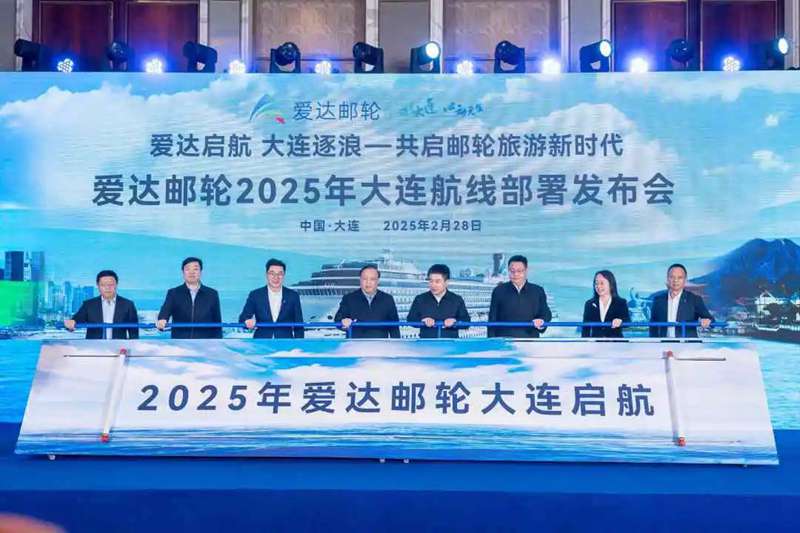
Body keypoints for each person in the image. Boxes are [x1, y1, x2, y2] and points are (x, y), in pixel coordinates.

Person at [157, 257, 222, 339]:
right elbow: (165, 310)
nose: (191, 272)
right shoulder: (173, 293)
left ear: (201, 272)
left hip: (205, 342)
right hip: (180, 342)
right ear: (183, 272)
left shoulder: (212, 294)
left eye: (195, 269)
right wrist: (162, 319)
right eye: (187, 269)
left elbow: (217, 321)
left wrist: (218, 342)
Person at [488, 255, 552, 338]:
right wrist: (491, 341)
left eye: (519, 271)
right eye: (512, 271)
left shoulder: (537, 291)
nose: (515, 274)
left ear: (526, 271)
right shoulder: (498, 291)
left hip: (530, 340)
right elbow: (492, 319)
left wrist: (541, 321)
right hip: (504, 341)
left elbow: (546, 313)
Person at [239, 258, 304, 339]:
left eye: (280, 274)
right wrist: (247, 321)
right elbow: (242, 318)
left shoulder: (293, 296)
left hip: (286, 342)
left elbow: (299, 324)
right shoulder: (255, 295)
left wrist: (299, 343)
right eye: (272, 273)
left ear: (284, 275)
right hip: (261, 342)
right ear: (266, 274)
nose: (276, 277)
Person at [64, 270, 139, 339]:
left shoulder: (128, 305)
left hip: (118, 347)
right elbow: (76, 320)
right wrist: (71, 322)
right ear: (98, 286)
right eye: (103, 285)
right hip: (94, 347)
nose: (107, 288)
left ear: (116, 285)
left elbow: (134, 333)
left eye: (111, 285)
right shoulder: (89, 305)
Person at [334, 264, 400, 338]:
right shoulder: (349, 298)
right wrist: (343, 322)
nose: (368, 282)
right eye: (365, 279)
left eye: (372, 279)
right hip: (355, 344)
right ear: (360, 280)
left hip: (380, 344)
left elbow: (395, 327)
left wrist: (397, 343)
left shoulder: (387, 299)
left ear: (378, 281)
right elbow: (338, 320)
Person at [649, 263, 713, 338]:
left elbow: (711, 320)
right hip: (665, 343)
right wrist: (654, 342)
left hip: (687, 343)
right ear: (667, 278)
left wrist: (707, 321)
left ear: (685, 280)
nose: (675, 280)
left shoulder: (694, 299)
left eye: (679, 277)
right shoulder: (658, 300)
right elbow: (653, 326)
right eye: (672, 277)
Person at [407, 264, 470, 338]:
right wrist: (422, 321)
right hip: (426, 343)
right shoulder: (420, 299)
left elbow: (466, 321)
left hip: (450, 343)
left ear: (446, 282)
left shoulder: (457, 299)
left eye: (437, 282)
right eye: (431, 281)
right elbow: (410, 319)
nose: (433, 285)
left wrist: (455, 322)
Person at [581, 270, 630, 338]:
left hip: (616, 342)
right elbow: (585, 328)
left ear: (611, 284)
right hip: (596, 342)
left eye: (602, 283)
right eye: (596, 283)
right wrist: (584, 342)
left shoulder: (621, 302)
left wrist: (620, 321)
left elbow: (627, 321)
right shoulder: (589, 304)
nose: (598, 286)